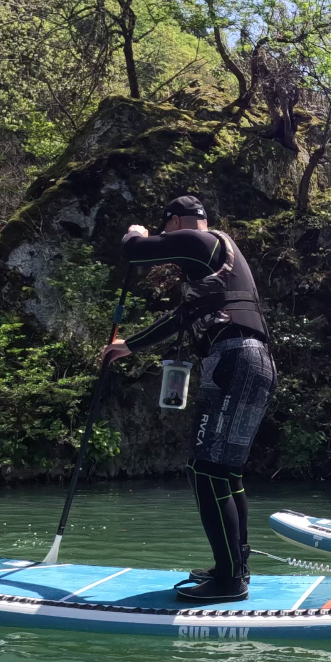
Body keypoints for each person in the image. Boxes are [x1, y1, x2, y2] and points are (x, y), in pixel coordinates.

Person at [100, 196, 276, 602]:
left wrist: (137, 235)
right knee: (224, 471)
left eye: (168, 228)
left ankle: (230, 581)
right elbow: (184, 316)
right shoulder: (217, 265)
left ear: (178, 222)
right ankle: (233, 567)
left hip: (234, 360)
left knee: (206, 470)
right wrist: (132, 345)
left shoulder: (202, 242)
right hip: (252, 361)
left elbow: (135, 252)